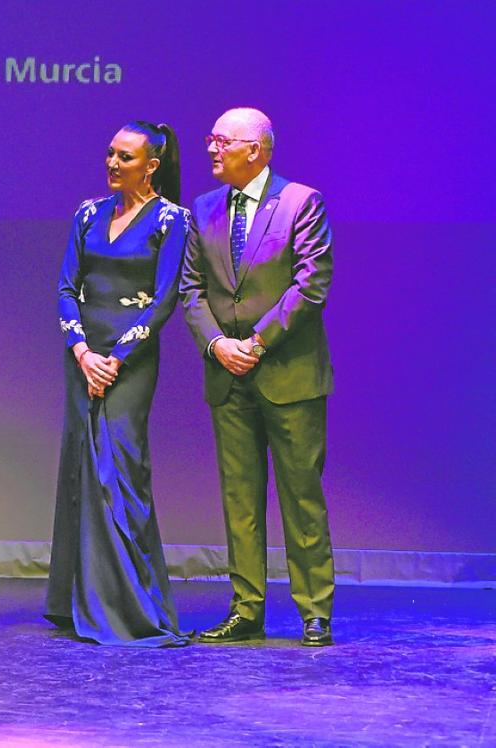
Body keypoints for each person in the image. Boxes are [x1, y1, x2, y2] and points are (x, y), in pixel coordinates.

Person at [179, 107, 335, 647]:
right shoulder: (203, 208)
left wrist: (259, 341)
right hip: (229, 375)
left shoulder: (301, 202)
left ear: (257, 150)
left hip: (288, 374)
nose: (212, 149)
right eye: (211, 139)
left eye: (222, 141)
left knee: (301, 495)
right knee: (240, 500)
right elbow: (191, 289)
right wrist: (219, 344)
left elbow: (310, 285)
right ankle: (247, 610)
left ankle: (315, 610)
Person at [44, 121, 190, 647]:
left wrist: (115, 357)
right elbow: (66, 288)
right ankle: (73, 599)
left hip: (129, 361)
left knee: (120, 470)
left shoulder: (173, 221)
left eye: (125, 157)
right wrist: (82, 351)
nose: (112, 163)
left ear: (151, 165)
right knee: (82, 465)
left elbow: (164, 299)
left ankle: (131, 606)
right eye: (109, 153)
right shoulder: (87, 214)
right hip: (83, 357)